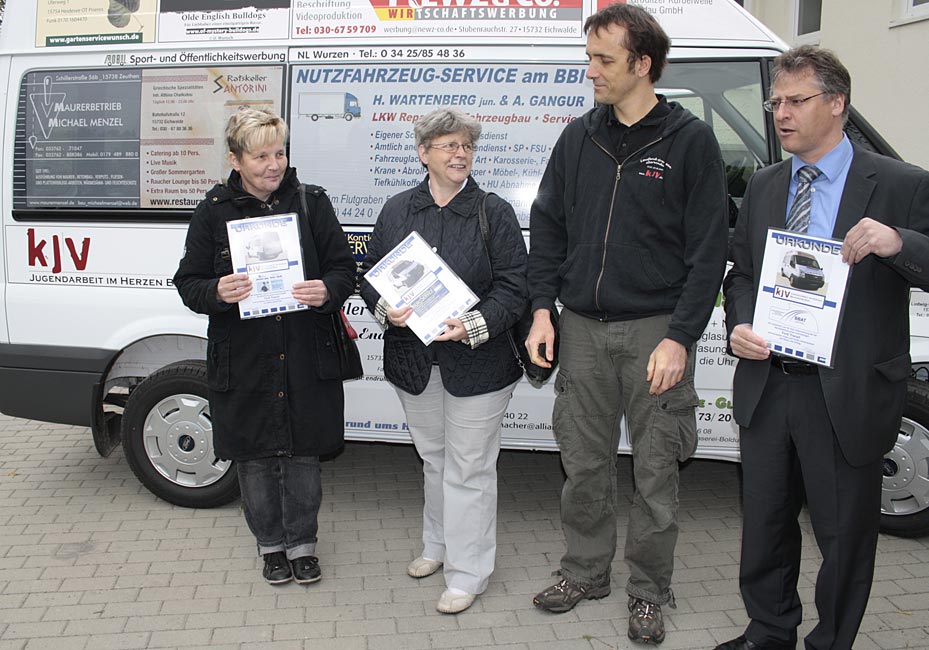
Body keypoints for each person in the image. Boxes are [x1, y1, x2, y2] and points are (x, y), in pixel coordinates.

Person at [526, 3, 728, 644]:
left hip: (654, 331)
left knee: (654, 471)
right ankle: (586, 571)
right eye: (589, 57)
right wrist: (540, 308)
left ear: (642, 64)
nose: (591, 72)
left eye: (603, 60)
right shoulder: (578, 136)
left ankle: (649, 590)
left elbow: (707, 253)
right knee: (583, 464)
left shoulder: (690, 142)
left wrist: (680, 337)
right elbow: (548, 227)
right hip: (580, 328)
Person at [717, 46, 929, 650]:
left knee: (843, 536)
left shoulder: (900, 183)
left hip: (847, 390)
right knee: (764, 525)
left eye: (796, 100)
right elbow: (742, 273)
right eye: (775, 101)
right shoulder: (764, 184)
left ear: (837, 104)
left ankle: (832, 639)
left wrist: (899, 241)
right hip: (769, 383)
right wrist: (738, 325)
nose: (781, 113)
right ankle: (769, 629)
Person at [173, 107, 355, 587]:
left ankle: (303, 545)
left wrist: (327, 290)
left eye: (279, 153)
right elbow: (188, 283)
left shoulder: (312, 203)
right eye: (260, 156)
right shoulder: (213, 212)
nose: (274, 164)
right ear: (236, 160)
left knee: (303, 456)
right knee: (253, 459)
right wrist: (217, 292)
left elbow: (343, 268)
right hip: (245, 356)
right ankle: (271, 547)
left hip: (302, 352)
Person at [360, 108, 528, 614]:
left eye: (466, 147)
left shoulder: (492, 211)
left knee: (469, 470)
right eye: (449, 146)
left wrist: (473, 325)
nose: (460, 154)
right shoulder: (396, 210)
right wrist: (383, 308)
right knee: (435, 461)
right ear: (423, 153)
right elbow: (370, 273)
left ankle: (468, 573)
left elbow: (515, 287)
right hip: (415, 362)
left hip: (479, 364)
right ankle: (437, 547)